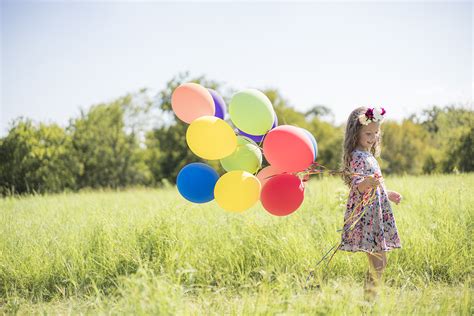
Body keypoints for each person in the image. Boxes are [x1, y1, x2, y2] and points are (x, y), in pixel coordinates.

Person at [339, 106, 402, 299]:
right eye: (368, 133)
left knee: (379, 263)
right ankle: (368, 303)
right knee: (379, 262)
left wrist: (387, 193)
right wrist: (367, 183)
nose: (372, 137)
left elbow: (376, 184)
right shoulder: (356, 156)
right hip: (369, 216)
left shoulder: (369, 155)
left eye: (376, 133)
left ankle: (369, 301)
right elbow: (357, 186)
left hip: (376, 212)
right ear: (355, 132)